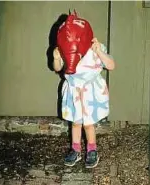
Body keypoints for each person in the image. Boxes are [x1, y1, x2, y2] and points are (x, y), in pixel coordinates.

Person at [53, 37, 115, 168]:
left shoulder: (95, 48)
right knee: (75, 123)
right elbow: (58, 68)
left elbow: (111, 65)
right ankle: (76, 150)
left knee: (88, 124)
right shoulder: (66, 47)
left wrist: (99, 52)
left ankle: (92, 150)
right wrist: (57, 58)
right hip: (73, 91)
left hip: (89, 92)